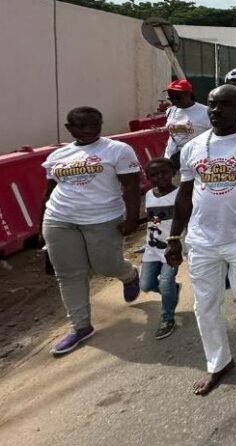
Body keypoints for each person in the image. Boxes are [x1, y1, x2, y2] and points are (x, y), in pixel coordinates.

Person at [164, 85, 236, 395]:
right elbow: (185, 196)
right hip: (202, 239)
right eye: (213, 104)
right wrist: (175, 236)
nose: (216, 110)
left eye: (225, 104)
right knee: (205, 304)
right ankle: (219, 362)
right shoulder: (193, 147)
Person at [41, 107, 142, 355]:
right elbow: (49, 192)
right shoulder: (58, 155)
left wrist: (132, 219)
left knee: (105, 266)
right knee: (68, 274)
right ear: (69, 128)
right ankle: (80, 327)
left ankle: (128, 274)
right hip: (58, 218)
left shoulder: (117, 150)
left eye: (93, 125)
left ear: (101, 124)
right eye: (80, 126)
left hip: (103, 218)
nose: (87, 131)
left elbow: (131, 186)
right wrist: (38, 227)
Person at [140, 157, 180, 339]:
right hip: (151, 249)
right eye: (154, 174)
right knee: (146, 284)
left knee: (165, 282)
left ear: (173, 172)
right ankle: (172, 290)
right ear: (147, 177)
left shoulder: (181, 194)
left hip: (171, 248)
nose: (159, 177)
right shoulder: (149, 195)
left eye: (164, 172)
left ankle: (167, 319)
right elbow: (152, 221)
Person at [163, 80, 210, 168]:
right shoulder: (170, 111)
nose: (174, 101)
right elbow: (172, 135)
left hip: (194, 160)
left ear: (188, 94)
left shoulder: (206, 112)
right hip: (171, 159)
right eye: (170, 98)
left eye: (178, 97)